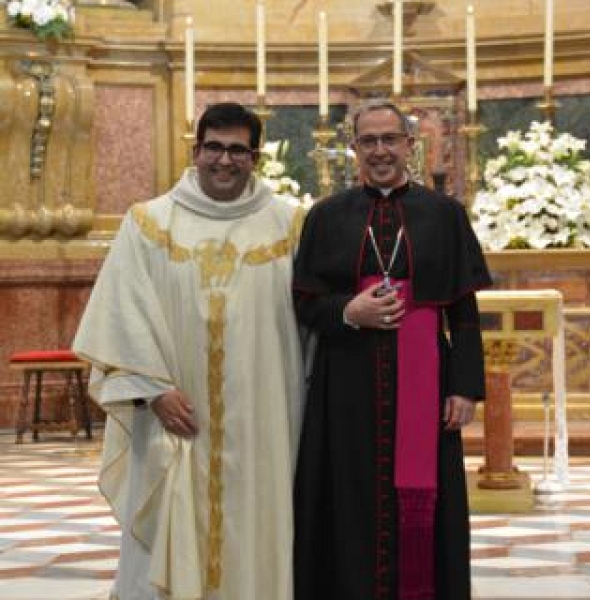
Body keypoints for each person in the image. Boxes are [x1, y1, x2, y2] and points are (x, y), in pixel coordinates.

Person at [73, 102, 305, 600]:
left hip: (266, 425)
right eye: (214, 148)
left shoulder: (290, 227)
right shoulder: (149, 224)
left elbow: (317, 324)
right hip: (175, 419)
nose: (224, 160)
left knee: (260, 525)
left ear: (255, 157)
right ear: (196, 150)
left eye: (237, 150)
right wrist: (153, 391)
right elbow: (120, 315)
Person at [292, 98, 492, 600]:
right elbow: (304, 303)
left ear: (410, 145)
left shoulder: (445, 215)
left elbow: (464, 311)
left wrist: (465, 388)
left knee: (428, 501)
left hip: (426, 382)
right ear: (354, 148)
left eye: (390, 139)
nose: (380, 150)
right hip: (346, 382)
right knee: (348, 493)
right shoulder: (325, 216)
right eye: (368, 141)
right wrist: (346, 311)